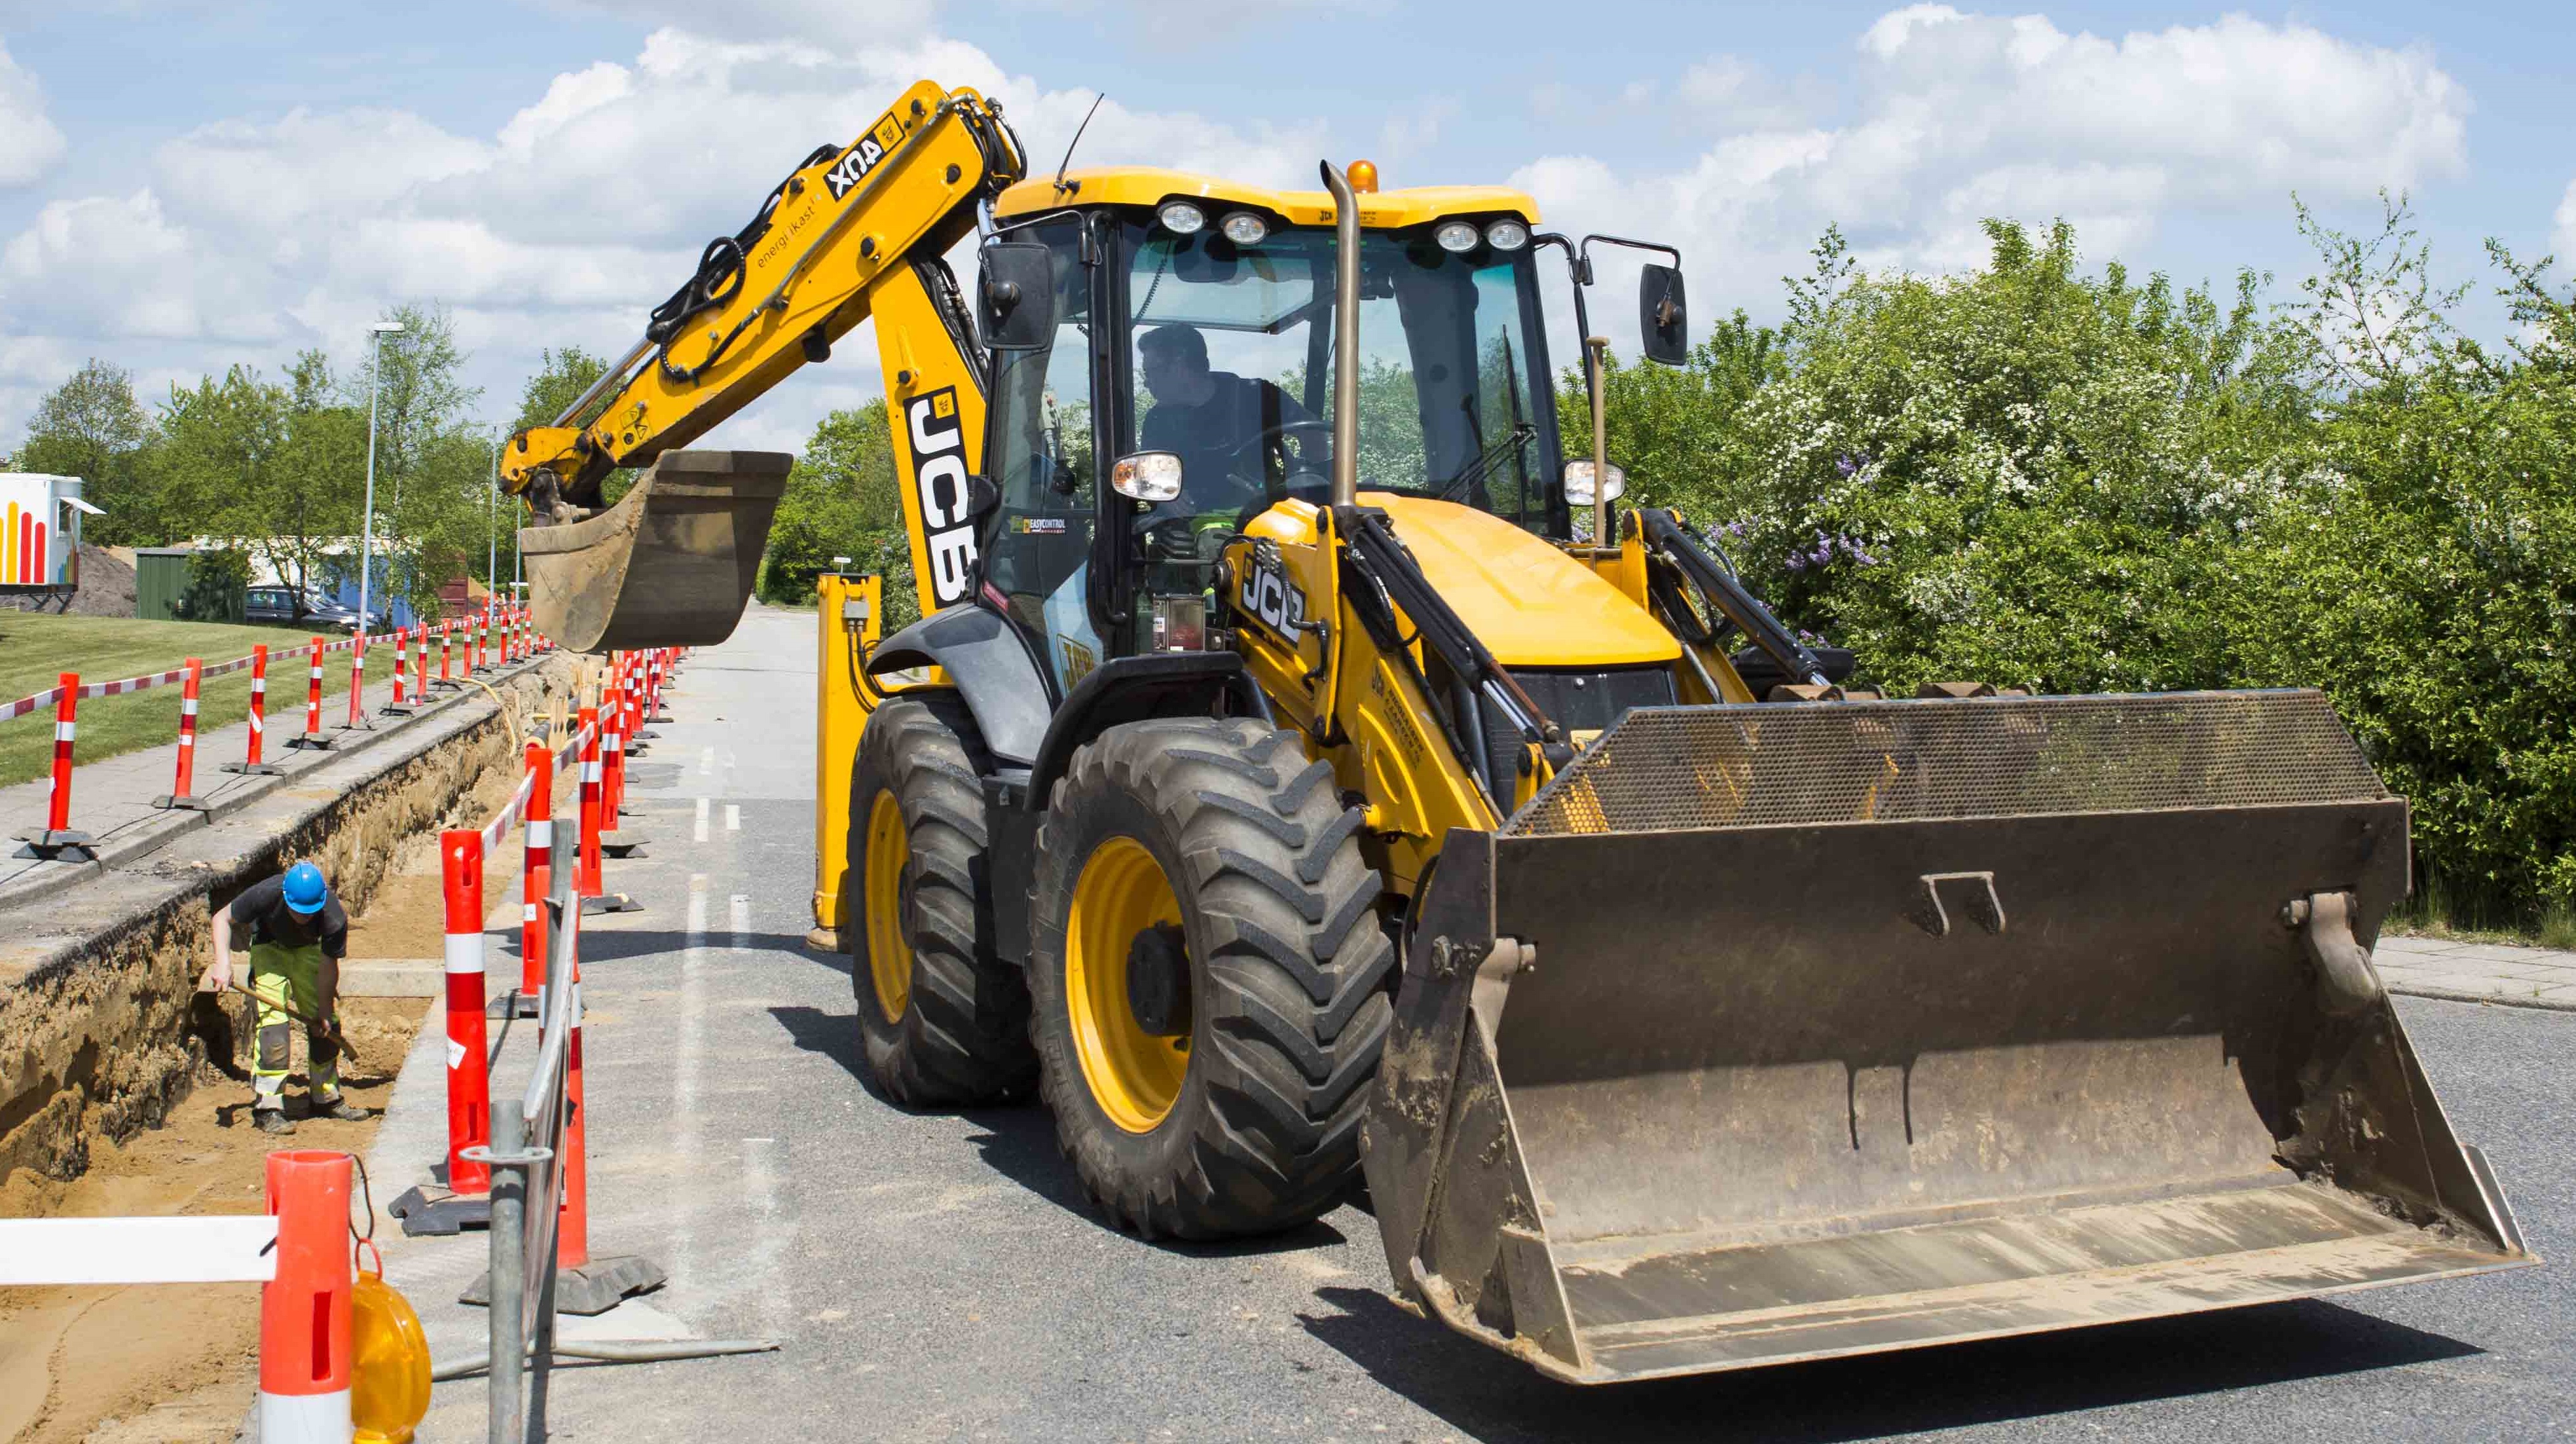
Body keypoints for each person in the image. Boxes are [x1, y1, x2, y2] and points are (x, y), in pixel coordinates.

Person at [198, 860, 367, 1134]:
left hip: (309, 953)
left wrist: (323, 1010)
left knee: (326, 1027)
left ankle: (325, 1097)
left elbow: (328, 966)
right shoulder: (268, 893)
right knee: (273, 1027)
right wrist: (223, 964)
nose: (304, 917)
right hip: (270, 950)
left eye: (310, 913)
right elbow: (221, 918)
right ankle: (269, 1106)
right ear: (287, 899)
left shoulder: (334, 917)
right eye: (299, 912)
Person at [1137, 324, 1313, 511]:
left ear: (1179, 366)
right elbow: (1149, 480)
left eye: (1150, 373)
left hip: (1267, 524)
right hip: (1189, 530)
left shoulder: (1257, 396)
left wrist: (1306, 486)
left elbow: (1312, 434)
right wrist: (1164, 497)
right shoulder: (1157, 421)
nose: (1147, 383)